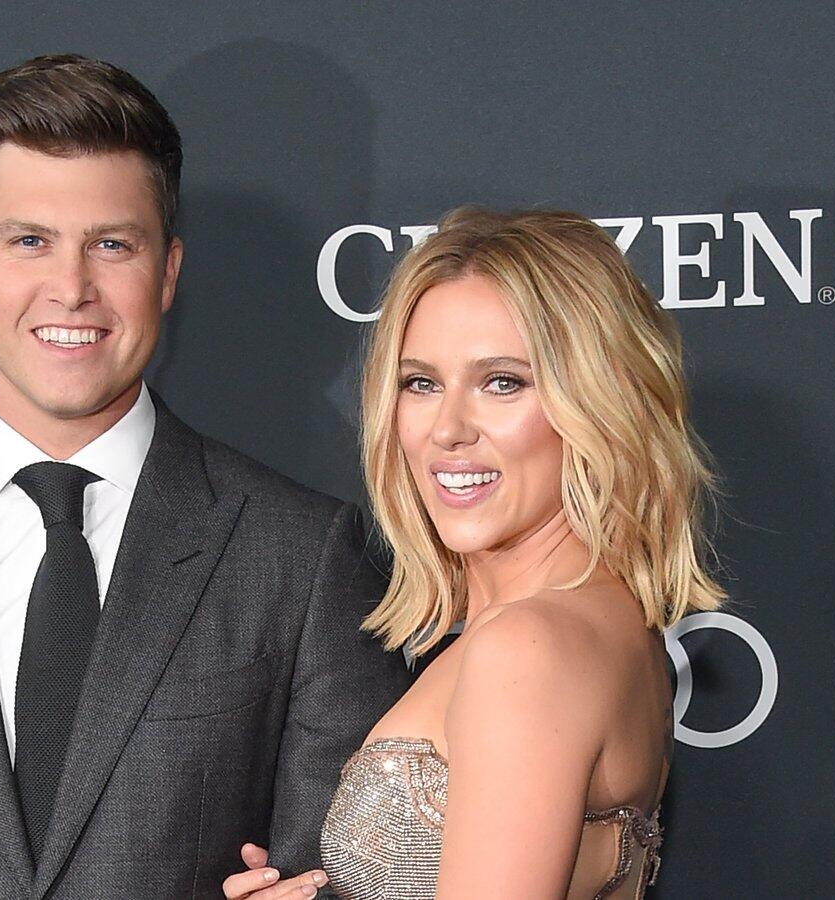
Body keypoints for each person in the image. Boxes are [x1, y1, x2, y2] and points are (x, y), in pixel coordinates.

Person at [0, 54, 410, 899]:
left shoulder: (304, 556)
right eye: (29, 241)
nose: (71, 288)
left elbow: (349, 881)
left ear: (168, 271)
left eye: (112, 245)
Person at [225, 208, 724, 900]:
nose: (448, 429)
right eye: (421, 383)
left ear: (598, 401)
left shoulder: (526, 646)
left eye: (502, 382)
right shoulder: (601, 622)